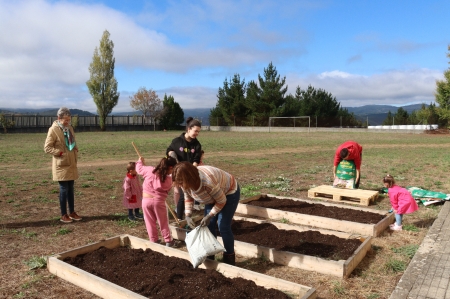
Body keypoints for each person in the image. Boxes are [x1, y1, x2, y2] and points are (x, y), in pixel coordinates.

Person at [172, 161, 240, 265]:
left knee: (223, 226)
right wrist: (188, 215)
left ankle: (229, 258)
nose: (180, 185)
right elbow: (188, 197)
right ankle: (210, 255)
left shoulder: (207, 182)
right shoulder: (184, 182)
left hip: (229, 192)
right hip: (211, 197)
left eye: (181, 182)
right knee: (209, 226)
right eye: (178, 182)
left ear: (189, 178)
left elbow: (221, 201)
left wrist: (209, 215)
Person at [44, 107, 82, 223]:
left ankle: (72, 212)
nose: (67, 122)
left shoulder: (69, 128)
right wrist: (59, 152)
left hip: (71, 163)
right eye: (65, 120)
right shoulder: (53, 130)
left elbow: (71, 141)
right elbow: (47, 148)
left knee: (71, 189)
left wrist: (74, 146)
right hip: (61, 164)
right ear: (59, 118)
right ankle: (63, 214)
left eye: (69, 120)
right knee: (64, 189)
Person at [136, 155, 179, 247]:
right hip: (158, 202)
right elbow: (168, 186)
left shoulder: (149, 170)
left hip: (146, 201)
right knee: (163, 222)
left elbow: (139, 169)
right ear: (170, 167)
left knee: (149, 222)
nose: (173, 172)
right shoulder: (169, 179)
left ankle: (154, 240)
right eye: (173, 169)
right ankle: (168, 240)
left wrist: (140, 161)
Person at [166, 117, 202, 218]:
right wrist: (172, 154)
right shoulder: (177, 141)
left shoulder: (197, 145)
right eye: (195, 131)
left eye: (198, 132)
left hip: (188, 174)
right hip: (177, 173)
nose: (197, 134)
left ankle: (182, 217)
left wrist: (191, 171)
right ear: (189, 129)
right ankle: (181, 218)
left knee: (184, 195)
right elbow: (169, 150)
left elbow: (196, 159)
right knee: (181, 195)